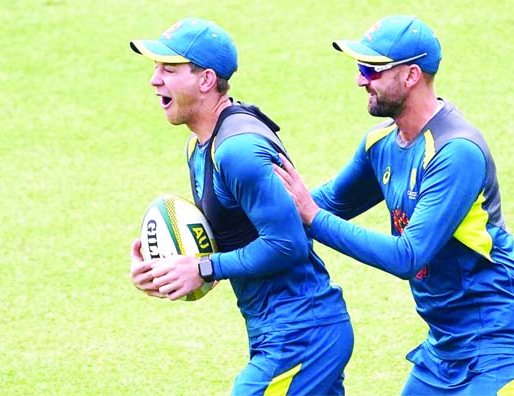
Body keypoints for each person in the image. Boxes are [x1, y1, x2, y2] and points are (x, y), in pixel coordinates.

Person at [273, 15, 514, 396]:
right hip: (445, 345)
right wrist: (232, 232)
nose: (360, 80)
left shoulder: (456, 153)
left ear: (411, 75)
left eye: (371, 69)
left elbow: (408, 255)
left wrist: (313, 218)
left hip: (499, 342)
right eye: (359, 67)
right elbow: (327, 202)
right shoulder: (380, 144)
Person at [127, 17, 353, 396]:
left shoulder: (237, 150)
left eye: (168, 69)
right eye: (155, 68)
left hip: (301, 334)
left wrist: (203, 267)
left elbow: (288, 244)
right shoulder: (200, 146)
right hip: (281, 329)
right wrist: (163, 268)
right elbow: (235, 238)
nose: (154, 79)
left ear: (206, 80)